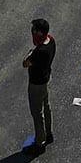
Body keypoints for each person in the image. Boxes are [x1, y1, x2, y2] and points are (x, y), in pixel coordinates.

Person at [23, 17, 57, 151]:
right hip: (46, 79)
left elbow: (25, 63)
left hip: (36, 84)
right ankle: (48, 134)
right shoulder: (51, 41)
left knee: (37, 113)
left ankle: (39, 142)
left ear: (39, 34)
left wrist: (29, 54)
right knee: (46, 106)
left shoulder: (40, 52)